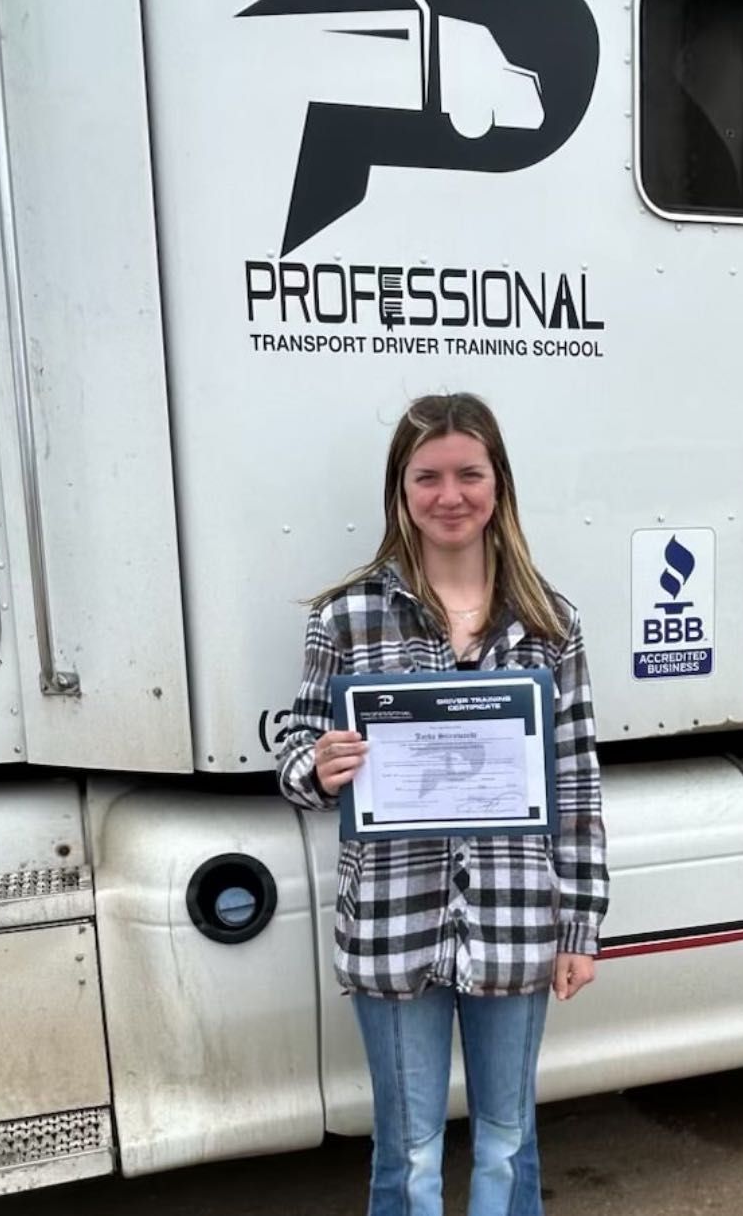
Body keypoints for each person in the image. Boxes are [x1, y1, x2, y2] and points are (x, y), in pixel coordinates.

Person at [277, 392, 609, 1216]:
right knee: (411, 1150)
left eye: (469, 473)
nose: (449, 495)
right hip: (393, 927)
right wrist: (318, 768)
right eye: (427, 476)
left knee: (506, 1140)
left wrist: (580, 928)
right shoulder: (347, 618)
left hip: (515, 924)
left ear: (499, 485)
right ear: (400, 490)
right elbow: (292, 752)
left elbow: (576, 781)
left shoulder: (548, 622)